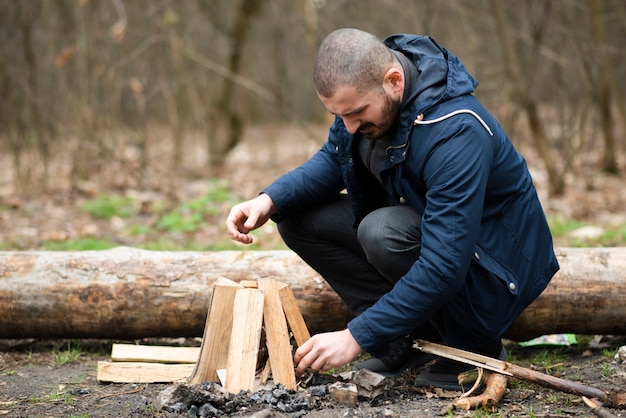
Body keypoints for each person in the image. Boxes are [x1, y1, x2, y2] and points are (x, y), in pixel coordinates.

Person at [226, 28, 559, 391]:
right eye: (339, 116)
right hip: (436, 240)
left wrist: (355, 336)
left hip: (493, 273)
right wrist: (268, 199)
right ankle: (404, 339)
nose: (349, 126)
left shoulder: (456, 131)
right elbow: (334, 159)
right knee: (295, 216)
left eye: (355, 114)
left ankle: (470, 347)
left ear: (394, 80)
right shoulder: (370, 97)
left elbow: (445, 264)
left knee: (383, 231)